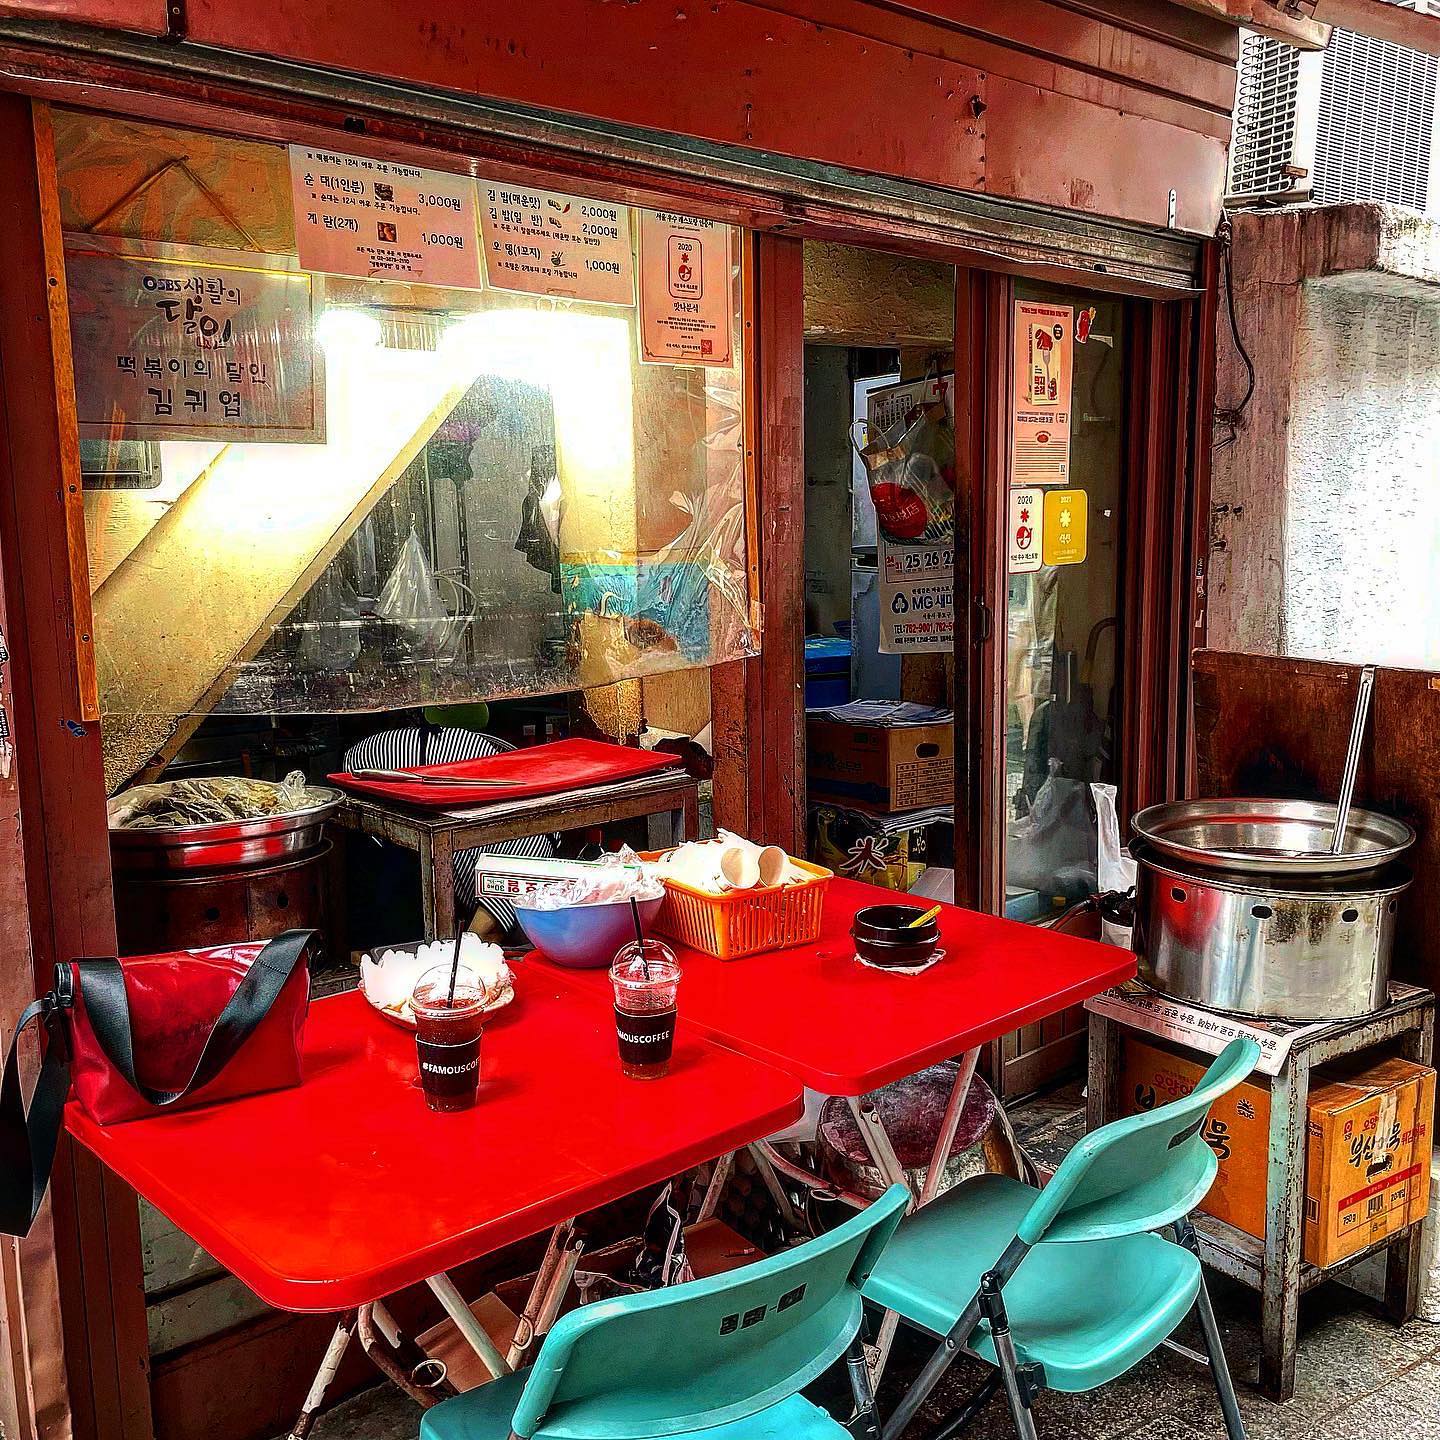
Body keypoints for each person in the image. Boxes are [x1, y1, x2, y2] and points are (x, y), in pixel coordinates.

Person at [343, 721, 555, 937]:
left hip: (437, 759)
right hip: (379, 763)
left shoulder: (532, 846)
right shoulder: (524, 858)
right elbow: (482, 936)